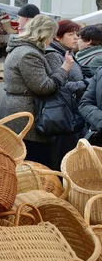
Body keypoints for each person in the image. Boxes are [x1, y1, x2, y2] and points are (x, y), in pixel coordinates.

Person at [0, 14, 72, 167]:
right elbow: (44, 87)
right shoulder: (28, 54)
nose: (51, 40)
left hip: (19, 112)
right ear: (45, 34)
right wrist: (64, 69)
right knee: (33, 163)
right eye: (51, 36)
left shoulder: (23, 49)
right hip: (26, 117)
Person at [45, 19, 88, 170]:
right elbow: (58, 85)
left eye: (76, 34)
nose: (76, 37)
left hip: (71, 110)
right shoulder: (54, 55)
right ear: (58, 36)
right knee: (61, 156)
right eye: (71, 34)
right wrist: (85, 84)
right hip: (62, 114)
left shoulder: (65, 52)